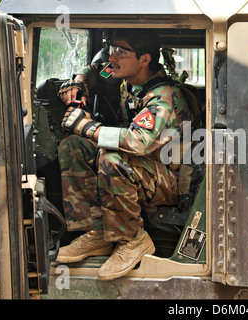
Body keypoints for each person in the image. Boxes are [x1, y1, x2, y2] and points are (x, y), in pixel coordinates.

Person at [55, 29, 193, 281]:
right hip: (140, 166)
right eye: (111, 48)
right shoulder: (124, 74)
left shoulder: (162, 97)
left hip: (166, 180)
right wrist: (79, 82)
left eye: (121, 51)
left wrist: (88, 127)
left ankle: (133, 239)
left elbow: (138, 142)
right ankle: (97, 231)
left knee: (110, 158)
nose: (112, 56)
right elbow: (97, 70)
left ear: (144, 60)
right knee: (72, 145)